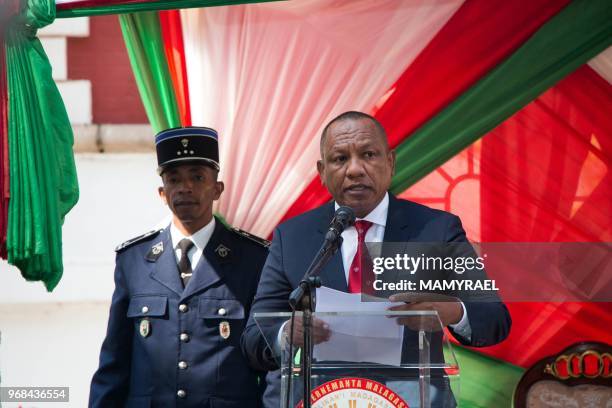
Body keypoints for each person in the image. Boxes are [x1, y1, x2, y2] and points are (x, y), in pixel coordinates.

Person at [241, 111, 511, 405]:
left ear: (390, 162)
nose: (355, 169)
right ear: (321, 170)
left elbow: (494, 318)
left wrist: (452, 312)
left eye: (368, 154)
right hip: (317, 398)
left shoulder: (436, 229)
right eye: (340, 159)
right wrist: (286, 332)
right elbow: (255, 338)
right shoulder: (292, 237)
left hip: (410, 398)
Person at [90, 126, 269, 407]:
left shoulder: (253, 259)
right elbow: (114, 362)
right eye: (174, 179)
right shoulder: (133, 260)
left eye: (198, 177)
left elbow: (267, 359)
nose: (185, 188)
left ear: (217, 189)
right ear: (162, 193)